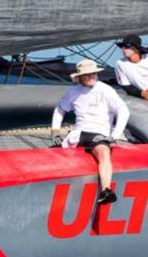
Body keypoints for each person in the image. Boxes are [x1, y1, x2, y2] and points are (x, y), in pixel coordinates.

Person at [51, 59, 130, 204]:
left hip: (98, 134)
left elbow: (123, 110)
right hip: (77, 134)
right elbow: (60, 109)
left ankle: (106, 190)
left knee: (104, 153)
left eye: (93, 73)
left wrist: (115, 136)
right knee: (52, 154)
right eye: (87, 74)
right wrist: (55, 130)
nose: (91, 76)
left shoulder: (105, 90)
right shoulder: (73, 91)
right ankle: (53, 191)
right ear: (79, 77)